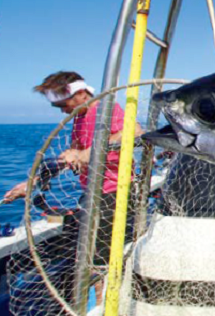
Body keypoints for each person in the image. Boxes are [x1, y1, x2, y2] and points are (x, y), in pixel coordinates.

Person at [3, 71, 136, 302]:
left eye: (63, 105)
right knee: (87, 254)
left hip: (114, 193)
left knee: (99, 259)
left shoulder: (105, 109)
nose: (63, 111)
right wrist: (31, 184)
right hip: (92, 193)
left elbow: (132, 132)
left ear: (81, 93)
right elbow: (70, 156)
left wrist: (86, 153)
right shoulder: (79, 117)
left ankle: (103, 304)